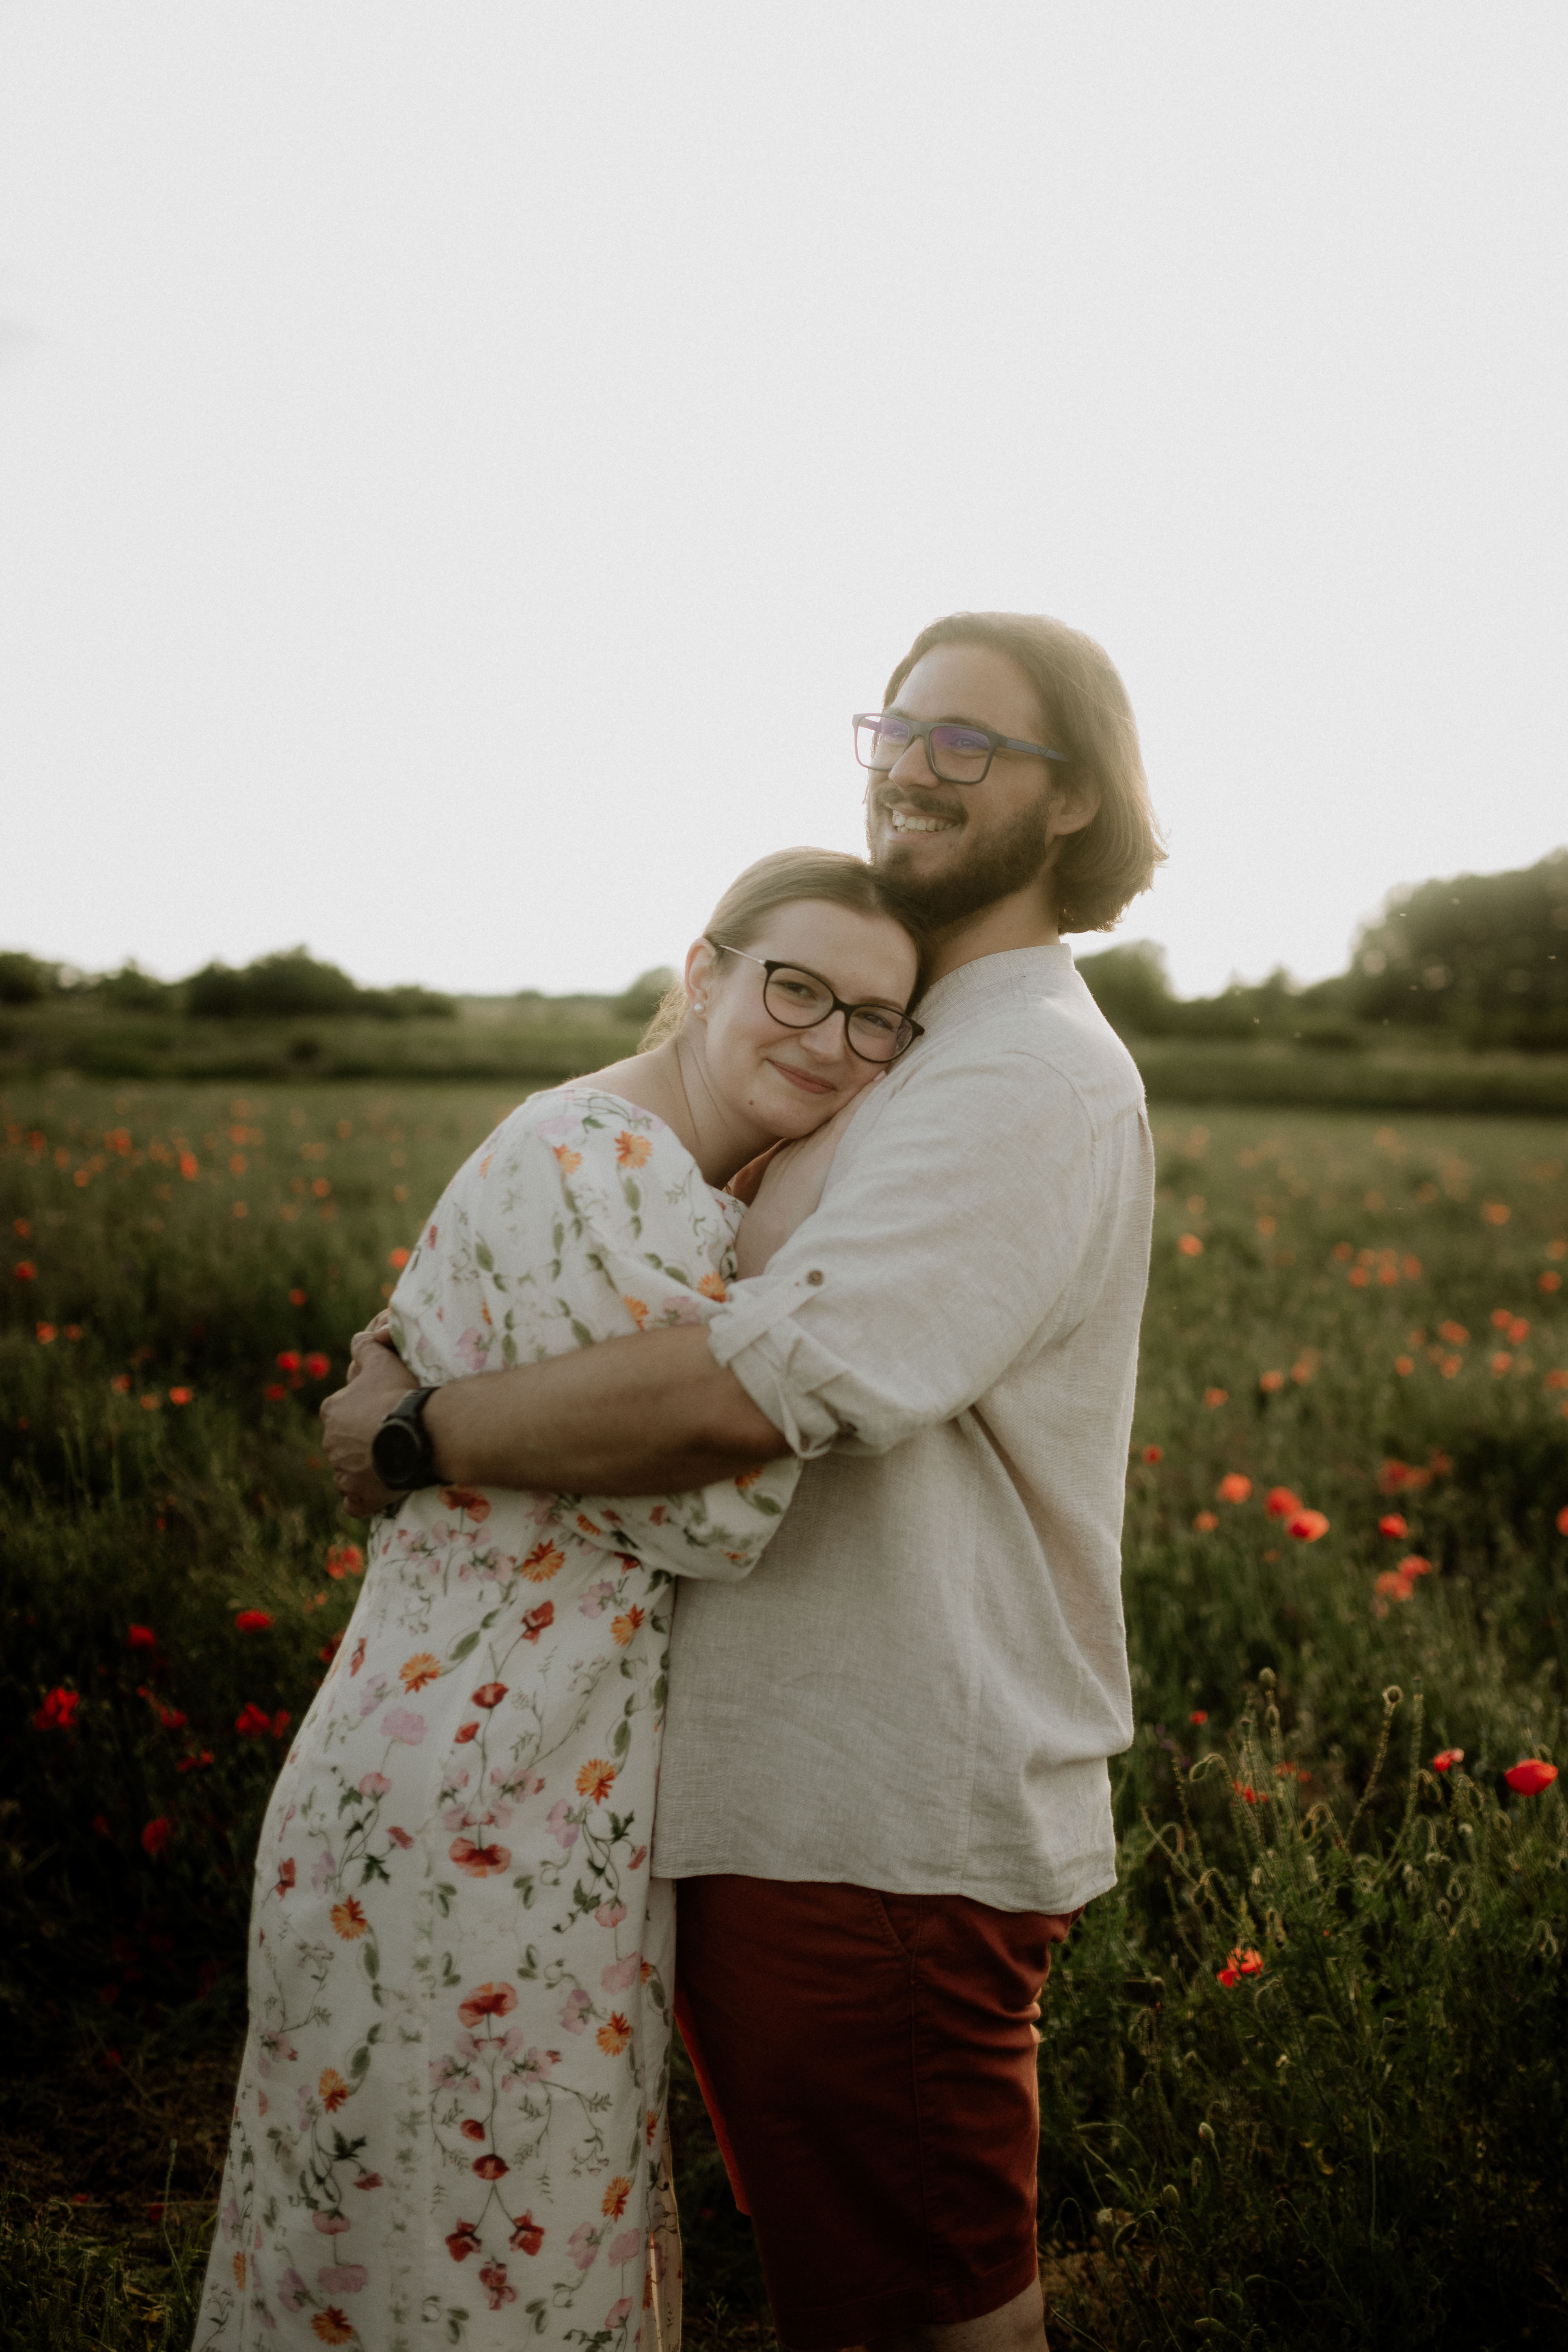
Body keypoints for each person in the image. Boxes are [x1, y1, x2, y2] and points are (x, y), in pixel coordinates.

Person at [324, 609, 1165, 2352]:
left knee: (925, 2316)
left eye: (967, 742)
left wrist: (419, 1434)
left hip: (881, 1806)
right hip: (777, 1800)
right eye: (895, 728)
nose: (910, 767)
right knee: (853, 2294)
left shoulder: (1024, 1070)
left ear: (1076, 796)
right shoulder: (916, 1045)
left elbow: (769, 1382)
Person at [193, 849, 926, 2352]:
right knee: (478, 2273)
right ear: (705, 973)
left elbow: (426, 1339)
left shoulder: (632, 1158)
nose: (830, 1040)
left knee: (422, 2256)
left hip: (507, 1777)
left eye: (874, 1020)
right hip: (479, 1798)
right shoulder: (611, 1158)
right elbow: (718, 1502)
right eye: (797, 987)